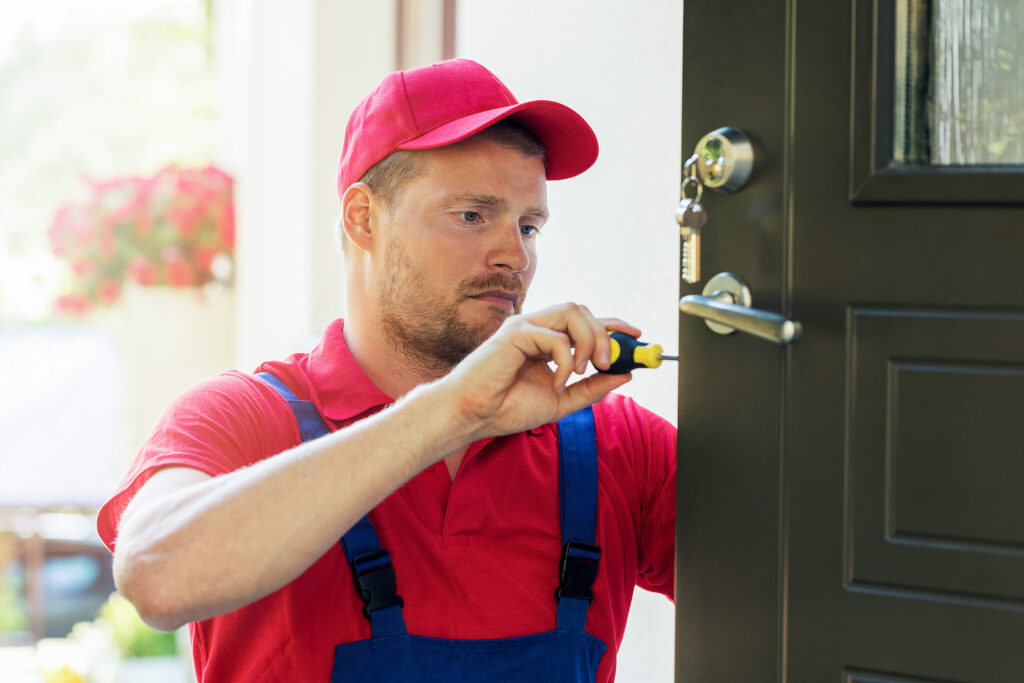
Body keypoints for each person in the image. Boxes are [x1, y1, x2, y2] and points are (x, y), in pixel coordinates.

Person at [98, 58, 676, 682]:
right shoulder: (244, 417)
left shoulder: (618, 447)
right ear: (363, 218)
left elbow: (789, 583)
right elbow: (154, 576)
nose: (515, 255)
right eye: (472, 215)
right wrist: (453, 412)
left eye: (528, 224)